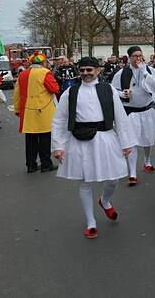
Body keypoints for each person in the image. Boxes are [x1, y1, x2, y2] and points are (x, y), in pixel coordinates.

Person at [52, 57, 137, 239]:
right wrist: (58, 146)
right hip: (79, 140)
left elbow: (120, 117)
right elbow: (59, 119)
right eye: (82, 70)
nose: (85, 73)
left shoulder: (108, 90)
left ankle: (105, 201)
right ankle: (91, 222)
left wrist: (126, 143)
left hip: (105, 138)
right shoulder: (70, 92)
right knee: (86, 182)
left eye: (89, 70)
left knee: (113, 179)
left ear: (98, 70)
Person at [111, 46, 155, 185]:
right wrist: (122, 94)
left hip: (147, 110)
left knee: (147, 139)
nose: (138, 58)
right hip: (131, 112)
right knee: (131, 142)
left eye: (140, 55)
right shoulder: (121, 73)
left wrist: (145, 73)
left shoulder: (150, 70)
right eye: (135, 56)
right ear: (130, 58)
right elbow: (113, 90)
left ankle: (147, 160)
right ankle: (132, 173)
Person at [13, 52, 60, 173]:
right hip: (43, 111)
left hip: (28, 112)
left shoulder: (22, 74)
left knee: (30, 140)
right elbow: (54, 89)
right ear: (43, 62)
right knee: (44, 139)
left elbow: (17, 93)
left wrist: (17, 109)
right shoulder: (45, 73)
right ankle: (46, 164)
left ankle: (31, 165)